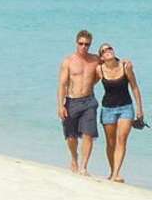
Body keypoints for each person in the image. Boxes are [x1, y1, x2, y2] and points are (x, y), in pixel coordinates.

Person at [97, 42, 145, 182]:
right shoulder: (99, 70)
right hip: (107, 109)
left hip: (126, 108)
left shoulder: (125, 67)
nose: (107, 50)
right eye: (104, 50)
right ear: (101, 57)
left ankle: (116, 173)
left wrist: (139, 109)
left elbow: (134, 87)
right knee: (110, 142)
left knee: (121, 140)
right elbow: (88, 81)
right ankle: (112, 171)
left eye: (109, 48)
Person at [57, 29, 101, 175]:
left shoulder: (95, 60)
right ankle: (74, 158)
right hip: (71, 101)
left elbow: (111, 63)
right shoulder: (68, 61)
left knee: (89, 134)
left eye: (87, 44)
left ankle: (84, 167)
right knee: (71, 137)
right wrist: (61, 105)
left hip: (89, 101)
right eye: (81, 44)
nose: (84, 47)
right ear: (76, 43)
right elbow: (62, 85)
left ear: (90, 45)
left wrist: (124, 63)